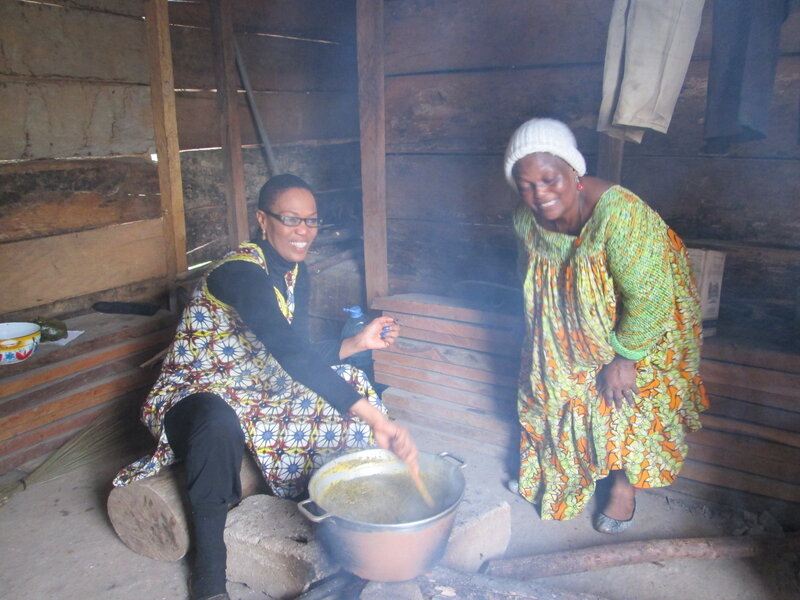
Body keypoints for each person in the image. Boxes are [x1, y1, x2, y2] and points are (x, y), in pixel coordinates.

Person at [113, 174, 418, 600]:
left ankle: (351, 511)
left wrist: (357, 343)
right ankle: (208, 576)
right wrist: (369, 415)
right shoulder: (239, 273)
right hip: (192, 394)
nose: (303, 232)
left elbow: (295, 351)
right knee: (216, 421)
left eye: (311, 221)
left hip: (254, 388)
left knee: (351, 379)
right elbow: (291, 352)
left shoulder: (297, 273)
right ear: (262, 219)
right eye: (291, 219)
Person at [503, 118, 708, 532]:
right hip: (569, 319)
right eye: (525, 185)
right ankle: (564, 475)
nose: (539, 194)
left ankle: (622, 487)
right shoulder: (525, 219)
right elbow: (535, 277)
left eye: (549, 179)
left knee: (623, 396)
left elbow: (650, 300)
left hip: (641, 324)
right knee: (552, 387)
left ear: (574, 173)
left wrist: (625, 356)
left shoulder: (621, 215)